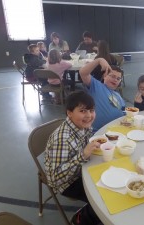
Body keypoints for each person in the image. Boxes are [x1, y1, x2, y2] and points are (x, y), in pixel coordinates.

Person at [44, 91, 102, 225]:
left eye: (91, 110)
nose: (89, 115)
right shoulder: (62, 139)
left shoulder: (82, 125)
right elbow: (55, 179)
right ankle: (81, 219)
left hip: (82, 168)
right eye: (82, 111)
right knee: (103, 197)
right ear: (69, 113)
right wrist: (83, 155)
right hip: (67, 183)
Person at [79, 58, 125, 132]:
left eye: (118, 78)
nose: (115, 80)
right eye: (112, 76)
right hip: (99, 132)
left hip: (117, 130)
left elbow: (123, 111)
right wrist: (99, 60)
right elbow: (83, 73)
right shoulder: (96, 86)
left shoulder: (118, 96)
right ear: (105, 76)